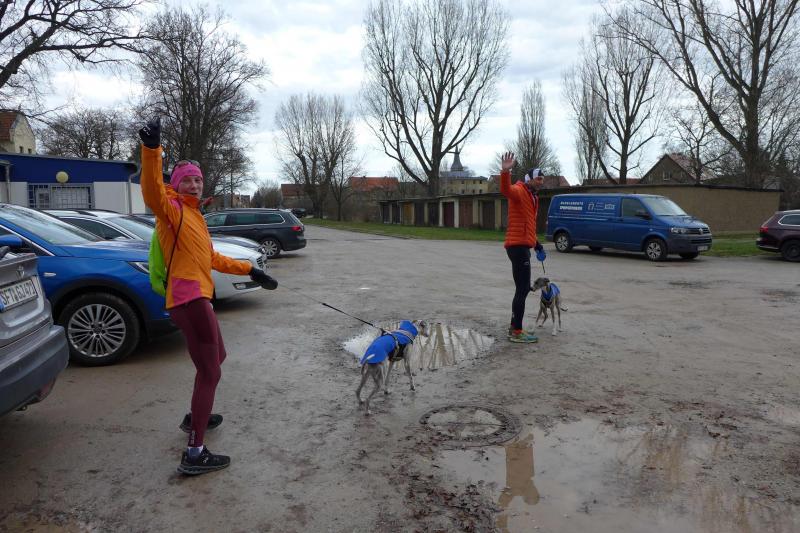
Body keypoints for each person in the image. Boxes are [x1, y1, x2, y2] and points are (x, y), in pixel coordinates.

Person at [138, 118, 277, 475]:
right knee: (210, 372)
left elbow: (212, 258)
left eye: (198, 179)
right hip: (189, 299)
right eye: (187, 179)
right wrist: (152, 151)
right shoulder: (171, 210)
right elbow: (152, 192)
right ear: (176, 183)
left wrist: (251, 270)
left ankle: (195, 417)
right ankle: (194, 451)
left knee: (217, 359)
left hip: (197, 298)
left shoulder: (195, 216)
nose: (194, 184)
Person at [499, 152, 546, 343]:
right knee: (522, 289)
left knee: (523, 289)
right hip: (517, 246)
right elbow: (506, 190)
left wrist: (537, 244)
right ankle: (516, 331)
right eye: (538, 179)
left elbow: (528, 226)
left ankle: (514, 328)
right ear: (529, 179)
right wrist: (505, 172)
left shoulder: (532, 197)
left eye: (542, 179)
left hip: (522, 245)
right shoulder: (519, 191)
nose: (541, 182)